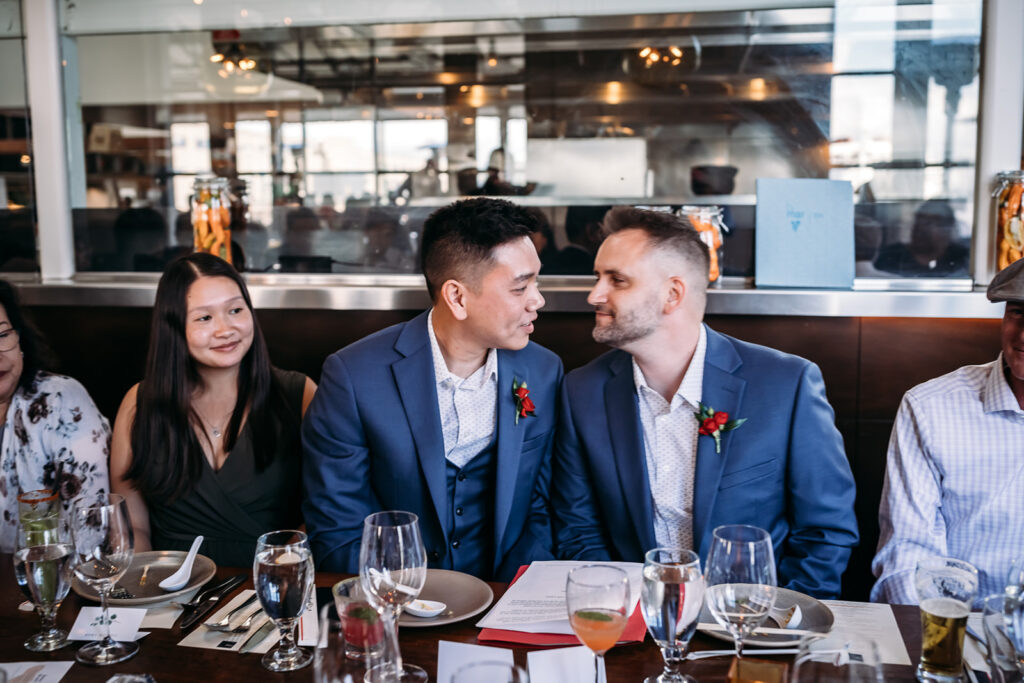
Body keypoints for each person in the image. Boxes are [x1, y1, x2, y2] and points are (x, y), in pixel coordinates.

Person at [551, 206, 858, 599]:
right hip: (634, 617)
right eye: (598, 277)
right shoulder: (582, 391)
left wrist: (785, 622)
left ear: (672, 294)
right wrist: (619, 605)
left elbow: (826, 531)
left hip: (750, 620)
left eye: (618, 280)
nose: (595, 295)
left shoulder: (786, 384)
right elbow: (578, 526)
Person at [302, 197, 563, 581]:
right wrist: (412, 596)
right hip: (397, 601)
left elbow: (541, 507)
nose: (537, 300)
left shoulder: (542, 370)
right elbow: (337, 532)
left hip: (506, 592)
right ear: (457, 297)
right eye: (520, 288)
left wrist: (514, 591)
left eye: (536, 282)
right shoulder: (353, 377)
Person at [110, 253, 316, 567]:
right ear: (174, 327)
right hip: (169, 589)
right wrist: (147, 592)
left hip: (272, 585)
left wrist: (278, 574)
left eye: (235, 310)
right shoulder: (139, 403)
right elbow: (132, 525)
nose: (225, 329)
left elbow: (329, 509)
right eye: (204, 318)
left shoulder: (299, 395)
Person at [871, 257, 1024, 604]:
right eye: (1017, 312)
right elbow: (907, 554)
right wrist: (937, 643)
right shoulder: (930, 407)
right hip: (960, 629)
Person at [0, 280, 110, 551]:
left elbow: (93, 530)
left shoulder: (60, 401)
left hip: (56, 585)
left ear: (20, 339)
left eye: (2, 336)